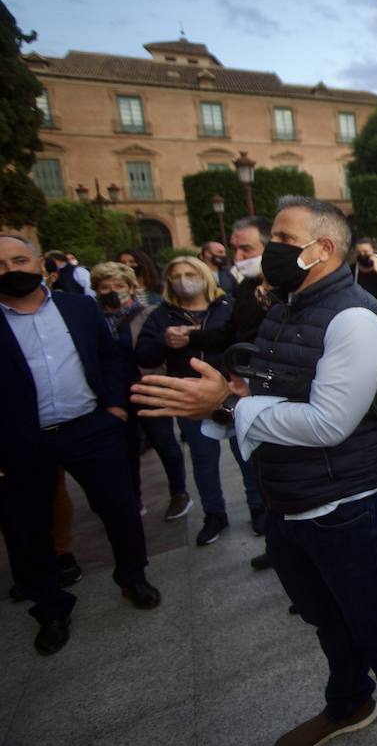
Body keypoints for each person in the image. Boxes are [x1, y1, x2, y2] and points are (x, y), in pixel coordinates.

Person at [131, 196, 377, 746]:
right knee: (324, 617)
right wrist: (222, 404)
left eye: (281, 238)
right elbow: (262, 394)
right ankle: (348, 704)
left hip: (349, 504)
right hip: (289, 500)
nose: (269, 250)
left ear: (323, 249)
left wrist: (226, 403)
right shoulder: (285, 308)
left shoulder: (355, 319)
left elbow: (327, 422)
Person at [1, 234, 161, 657]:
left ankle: (133, 577)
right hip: (21, 440)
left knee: (120, 507)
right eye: (1, 264)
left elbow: (110, 356)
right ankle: (50, 607)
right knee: (28, 526)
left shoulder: (77, 306)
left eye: (19, 259)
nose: (11, 269)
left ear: (40, 264)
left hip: (90, 427)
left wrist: (114, 407)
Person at [135, 256, 251, 546]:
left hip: (232, 393)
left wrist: (200, 339)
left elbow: (242, 339)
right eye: (176, 275)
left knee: (248, 454)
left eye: (190, 273)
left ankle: (259, 507)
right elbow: (144, 355)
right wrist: (164, 340)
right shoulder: (163, 315)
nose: (184, 280)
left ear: (204, 277)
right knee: (203, 459)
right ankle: (214, 514)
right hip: (189, 398)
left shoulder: (229, 307)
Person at [184, 216, 274, 551]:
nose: (238, 255)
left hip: (274, 393)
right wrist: (193, 337)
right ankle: (275, 540)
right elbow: (234, 331)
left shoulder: (287, 290)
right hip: (245, 388)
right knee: (254, 460)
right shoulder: (247, 287)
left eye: (246, 248)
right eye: (235, 248)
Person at [91, 261, 192, 520]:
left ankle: (179, 493)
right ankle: (133, 498)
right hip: (114, 393)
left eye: (118, 285)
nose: (112, 291)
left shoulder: (149, 314)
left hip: (149, 386)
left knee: (164, 441)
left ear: (131, 288)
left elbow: (158, 350)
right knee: (125, 448)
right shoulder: (93, 319)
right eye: (104, 286)